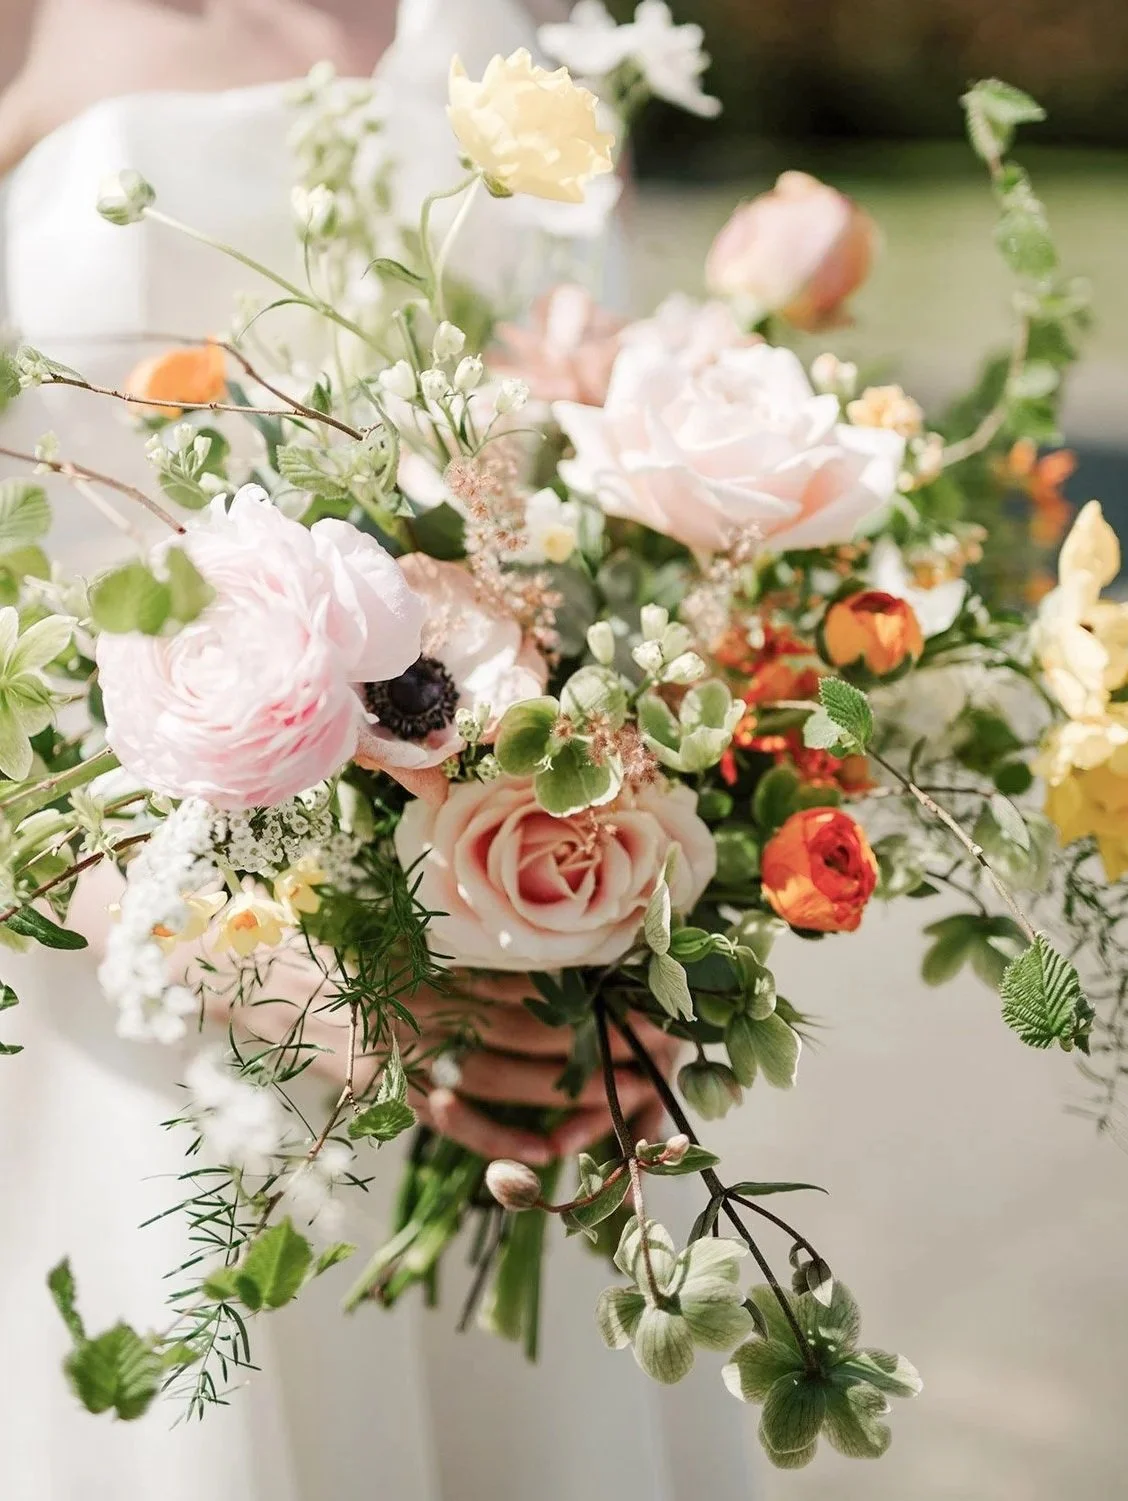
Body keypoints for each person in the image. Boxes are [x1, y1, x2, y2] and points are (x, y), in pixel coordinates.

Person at [0, 4, 755, 1498]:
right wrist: (228, 952)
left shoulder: (509, 18)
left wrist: (637, 917)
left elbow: (554, 465)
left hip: (507, 973)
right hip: (137, 1005)